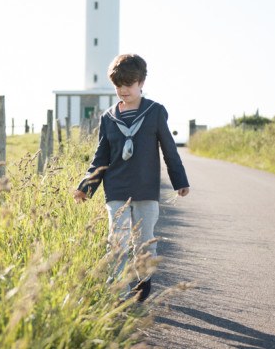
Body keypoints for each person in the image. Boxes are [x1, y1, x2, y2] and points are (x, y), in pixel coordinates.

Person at [73, 54, 190, 302]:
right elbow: (101, 156)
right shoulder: (108, 117)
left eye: (129, 84)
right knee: (118, 238)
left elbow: (169, 148)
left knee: (145, 240)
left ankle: (143, 278)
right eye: (118, 85)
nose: (123, 90)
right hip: (116, 188)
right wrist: (86, 186)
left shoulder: (155, 112)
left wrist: (179, 180)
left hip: (146, 188)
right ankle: (117, 290)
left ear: (141, 82)